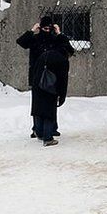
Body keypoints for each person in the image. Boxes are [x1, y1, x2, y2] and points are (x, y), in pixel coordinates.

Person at [16, 16, 74, 146]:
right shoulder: (35, 39)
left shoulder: (55, 41)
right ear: (40, 28)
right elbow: (21, 42)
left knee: (48, 104)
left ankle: (50, 129)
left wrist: (59, 34)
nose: (47, 30)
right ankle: (38, 130)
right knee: (39, 104)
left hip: (51, 77)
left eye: (49, 28)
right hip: (37, 76)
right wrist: (32, 30)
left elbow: (69, 49)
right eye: (45, 28)